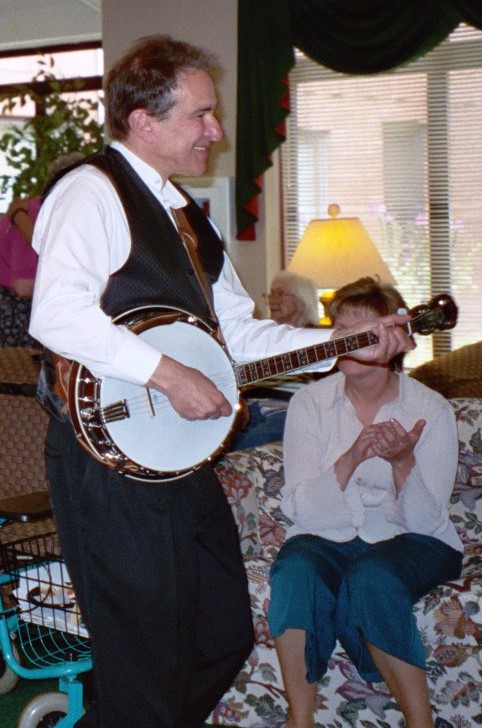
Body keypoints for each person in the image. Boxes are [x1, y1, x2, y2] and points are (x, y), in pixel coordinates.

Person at [29, 36, 414, 728]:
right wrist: (169, 374)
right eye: (201, 115)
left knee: (223, 635)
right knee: (143, 665)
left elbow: (237, 335)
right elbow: (55, 313)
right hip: (106, 470)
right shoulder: (91, 191)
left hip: (180, 457)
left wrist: (342, 345)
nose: (217, 130)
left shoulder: (188, 218)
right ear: (143, 121)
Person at [268, 276, 463, 728]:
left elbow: (425, 520)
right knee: (294, 569)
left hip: (414, 538)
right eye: (341, 333)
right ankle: (301, 720)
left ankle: (421, 722)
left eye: (363, 333)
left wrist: (402, 463)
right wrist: (352, 456)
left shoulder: (431, 409)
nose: (348, 343)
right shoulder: (308, 404)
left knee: (371, 577)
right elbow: (301, 510)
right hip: (329, 532)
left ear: (393, 342)